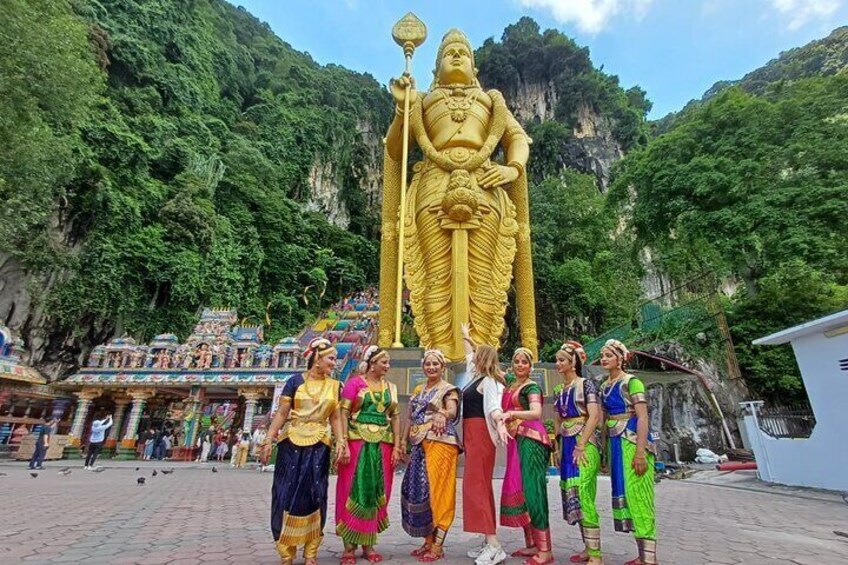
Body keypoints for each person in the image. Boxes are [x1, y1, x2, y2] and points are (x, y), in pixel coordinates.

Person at [378, 27, 537, 361]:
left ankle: (482, 358)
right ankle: (435, 357)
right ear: (436, 69)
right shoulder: (423, 101)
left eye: (463, 52)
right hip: (434, 187)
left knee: (484, 276)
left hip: (485, 184)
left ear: (474, 68)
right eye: (448, 52)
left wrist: (512, 169)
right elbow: (396, 149)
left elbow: (518, 139)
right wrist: (401, 109)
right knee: (436, 274)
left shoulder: (490, 101)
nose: (456, 55)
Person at [259, 337, 347, 565]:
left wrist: (341, 442)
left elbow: (336, 417)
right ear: (316, 358)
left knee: (315, 494)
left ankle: (311, 553)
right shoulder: (294, 381)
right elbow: (281, 413)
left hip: (319, 445)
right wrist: (268, 440)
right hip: (291, 443)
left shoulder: (335, 385)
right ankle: (286, 552)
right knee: (284, 493)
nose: (334, 363)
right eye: (330, 358)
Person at [336, 346, 402, 565]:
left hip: (383, 442)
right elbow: (343, 412)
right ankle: (348, 545)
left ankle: (369, 543)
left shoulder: (390, 387)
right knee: (351, 488)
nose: (388, 366)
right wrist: (343, 442)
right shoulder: (355, 383)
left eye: (389, 362)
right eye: (384, 362)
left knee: (377, 489)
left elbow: (395, 417)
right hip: (357, 441)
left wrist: (397, 445)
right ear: (372, 363)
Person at [599, 340, 658, 565]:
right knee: (628, 497)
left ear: (621, 358)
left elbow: (642, 416)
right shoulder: (605, 386)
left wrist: (640, 452)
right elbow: (604, 421)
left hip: (632, 441)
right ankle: (643, 556)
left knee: (640, 497)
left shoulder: (632, 382)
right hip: (615, 443)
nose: (604, 359)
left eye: (609, 355)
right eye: (602, 355)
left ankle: (649, 559)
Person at [401, 349, 461, 562]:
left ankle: (438, 545)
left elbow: (452, 411)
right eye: (428, 364)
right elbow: (409, 416)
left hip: (441, 441)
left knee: (439, 491)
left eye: (436, 364)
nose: (431, 367)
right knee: (420, 490)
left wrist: (441, 413)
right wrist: (402, 441)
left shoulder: (448, 389)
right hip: (418, 443)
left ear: (442, 367)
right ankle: (427, 539)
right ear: (423, 366)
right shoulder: (419, 389)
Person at [459, 325, 508, 565]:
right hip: (471, 435)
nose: (473, 356)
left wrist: (500, 423)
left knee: (477, 486)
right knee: (478, 487)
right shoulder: (475, 376)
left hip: (480, 436)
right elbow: (469, 356)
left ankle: (494, 545)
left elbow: (494, 407)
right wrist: (465, 336)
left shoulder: (489, 382)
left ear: (483, 359)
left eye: (477, 354)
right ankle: (487, 540)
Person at [501, 348, 553, 565]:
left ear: (531, 366)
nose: (520, 365)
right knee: (520, 489)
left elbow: (536, 413)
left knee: (533, 491)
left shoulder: (531, 387)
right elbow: (488, 366)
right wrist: (468, 340)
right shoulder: (512, 383)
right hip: (516, 442)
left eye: (525, 362)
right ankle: (531, 543)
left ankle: (545, 550)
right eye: (516, 361)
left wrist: (512, 413)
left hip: (531, 440)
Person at [554, 341, 603, 565]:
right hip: (566, 443)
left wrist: (581, 443)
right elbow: (558, 418)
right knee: (572, 492)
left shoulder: (586, 385)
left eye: (562, 359)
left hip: (584, 443)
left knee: (584, 492)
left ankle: (596, 555)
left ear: (573, 362)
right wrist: (555, 443)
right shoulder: (560, 389)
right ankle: (587, 547)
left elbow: (594, 416)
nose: (558, 363)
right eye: (557, 360)